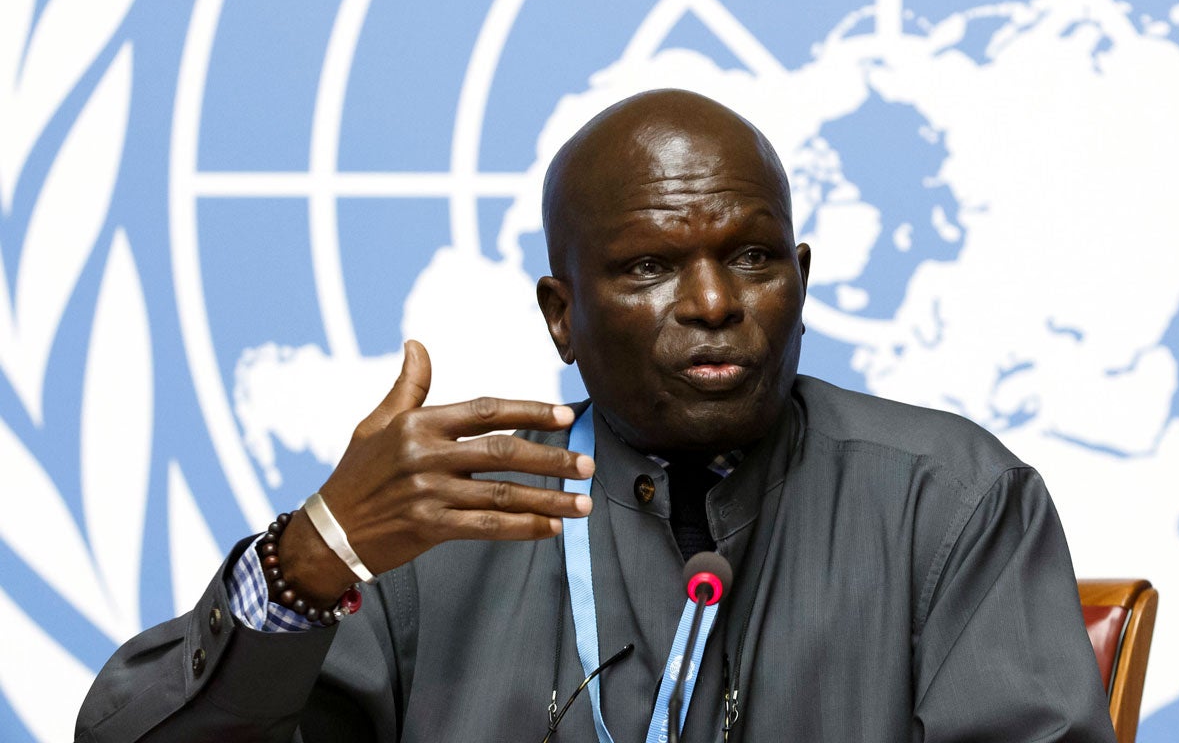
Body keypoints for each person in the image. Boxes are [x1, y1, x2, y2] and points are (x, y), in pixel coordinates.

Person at [77, 90, 1117, 741]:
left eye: (751, 256)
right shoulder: (434, 522)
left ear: (800, 278)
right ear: (561, 315)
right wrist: (310, 563)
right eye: (651, 266)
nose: (713, 302)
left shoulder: (954, 499)